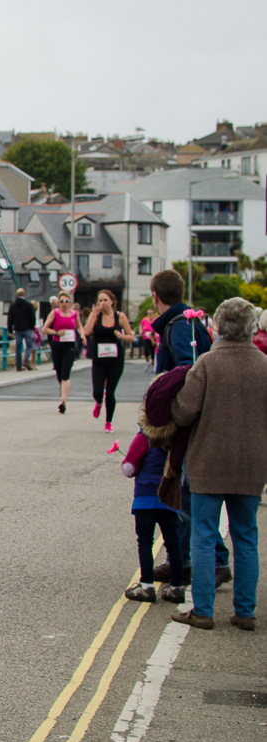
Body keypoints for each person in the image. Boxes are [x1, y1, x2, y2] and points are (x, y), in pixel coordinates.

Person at [168, 297, 265, 632]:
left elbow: (183, 412)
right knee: (246, 537)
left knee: (204, 535)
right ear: (251, 326)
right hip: (252, 462)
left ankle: (204, 609)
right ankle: (245, 611)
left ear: (219, 326)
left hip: (208, 459)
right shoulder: (264, 365)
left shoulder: (207, 364)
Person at [147, 268, 227, 586]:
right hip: (197, 416)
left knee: (184, 493)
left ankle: (209, 560)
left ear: (155, 296)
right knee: (183, 494)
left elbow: (186, 371)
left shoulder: (179, 326)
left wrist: (167, 409)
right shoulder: (190, 322)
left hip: (185, 419)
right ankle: (181, 556)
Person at [117, 408, 185, 604]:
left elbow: (129, 468)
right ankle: (177, 587)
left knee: (145, 542)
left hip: (145, 498)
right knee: (173, 543)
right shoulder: (175, 438)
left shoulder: (144, 438)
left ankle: (146, 586)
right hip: (168, 498)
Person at [82, 289, 134, 433]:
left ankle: (108, 422)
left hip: (115, 360)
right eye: (100, 300)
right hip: (99, 359)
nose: (102, 303)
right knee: (97, 392)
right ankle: (98, 403)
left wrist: (121, 336)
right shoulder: (96, 316)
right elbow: (86, 332)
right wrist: (93, 314)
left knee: (110, 392)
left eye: (105, 300)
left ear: (111, 301)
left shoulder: (120, 316)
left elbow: (131, 337)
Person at [41, 292, 82, 413]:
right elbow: (45, 328)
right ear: (59, 303)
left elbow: (79, 326)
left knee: (65, 373)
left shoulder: (75, 314)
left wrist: (83, 335)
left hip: (70, 345)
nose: (64, 304)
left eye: (66, 301)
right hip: (57, 345)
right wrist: (56, 333)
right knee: (59, 372)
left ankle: (63, 401)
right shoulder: (54, 313)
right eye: (62, 301)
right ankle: (63, 389)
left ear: (70, 303)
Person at [6, 288, 37, 371]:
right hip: (27, 329)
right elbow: (32, 317)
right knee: (29, 345)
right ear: (24, 295)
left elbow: (10, 318)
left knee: (18, 348)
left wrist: (10, 329)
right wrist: (32, 326)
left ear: (16, 295)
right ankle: (26, 360)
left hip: (18, 329)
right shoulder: (29, 305)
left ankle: (18, 366)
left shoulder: (13, 306)